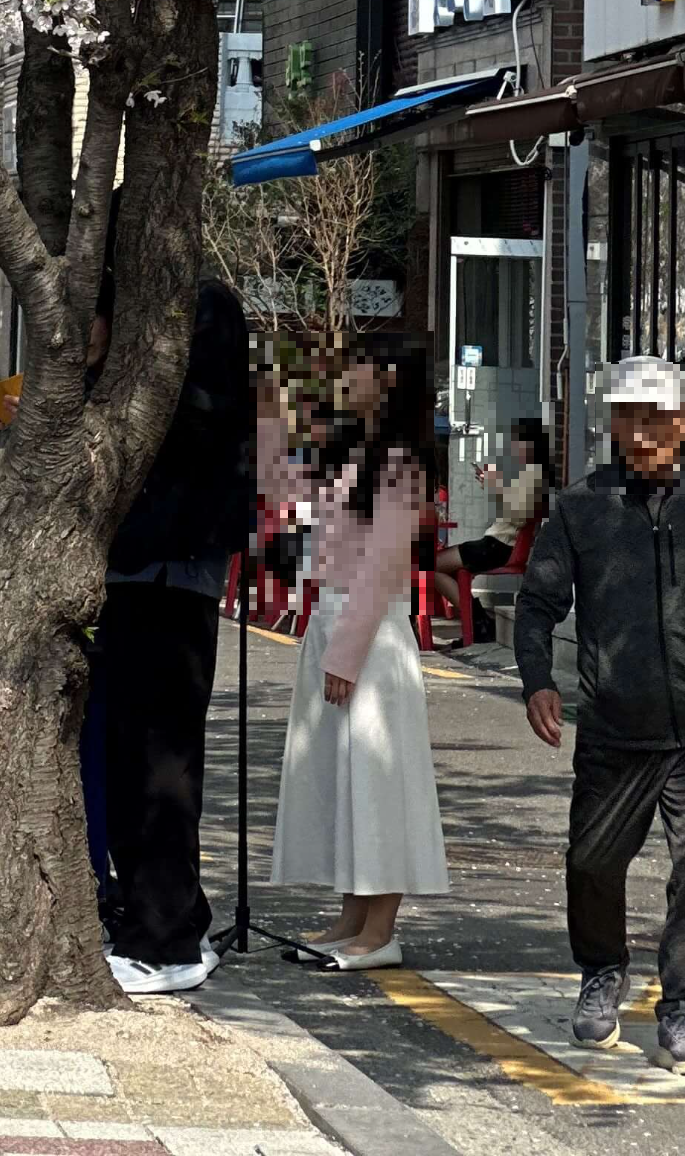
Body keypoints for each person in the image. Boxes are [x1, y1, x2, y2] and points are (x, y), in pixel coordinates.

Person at [515, 354, 685, 1075]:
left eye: (657, 417)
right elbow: (536, 605)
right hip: (617, 727)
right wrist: (537, 679)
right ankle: (601, 970)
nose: (642, 431)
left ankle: (683, 1012)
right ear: (614, 423)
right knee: (593, 862)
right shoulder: (582, 507)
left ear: (684, 422)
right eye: (628, 416)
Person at [91, 266, 253, 996]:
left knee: (157, 759)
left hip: (169, 561)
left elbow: (201, 421)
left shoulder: (198, 306)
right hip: (146, 561)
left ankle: (165, 940)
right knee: (134, 756)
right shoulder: (172, 299)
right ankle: (165, 918)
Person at [263, 338, 449, 967]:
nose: (347, 379)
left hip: (370, 635)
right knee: (341, 780)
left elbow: (381, 565)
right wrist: (269, 412)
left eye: (361, 368)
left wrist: (344, 654)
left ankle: (381, 928)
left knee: (378, 781)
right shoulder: (355, 453)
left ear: (391, 380)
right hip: (336, 624)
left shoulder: (402, 462)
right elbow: (282, 487)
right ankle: (352, 915)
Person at [432, 415, 551, 640]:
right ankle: (478, 624)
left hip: (498, 546)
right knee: (441, 568)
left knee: (431, 566)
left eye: (518, 441)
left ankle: (479, 620)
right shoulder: (530, 473)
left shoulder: (534, 474)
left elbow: (520, 513)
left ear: (532, 443)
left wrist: (497, 485)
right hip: (496, 544)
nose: (513, 446)